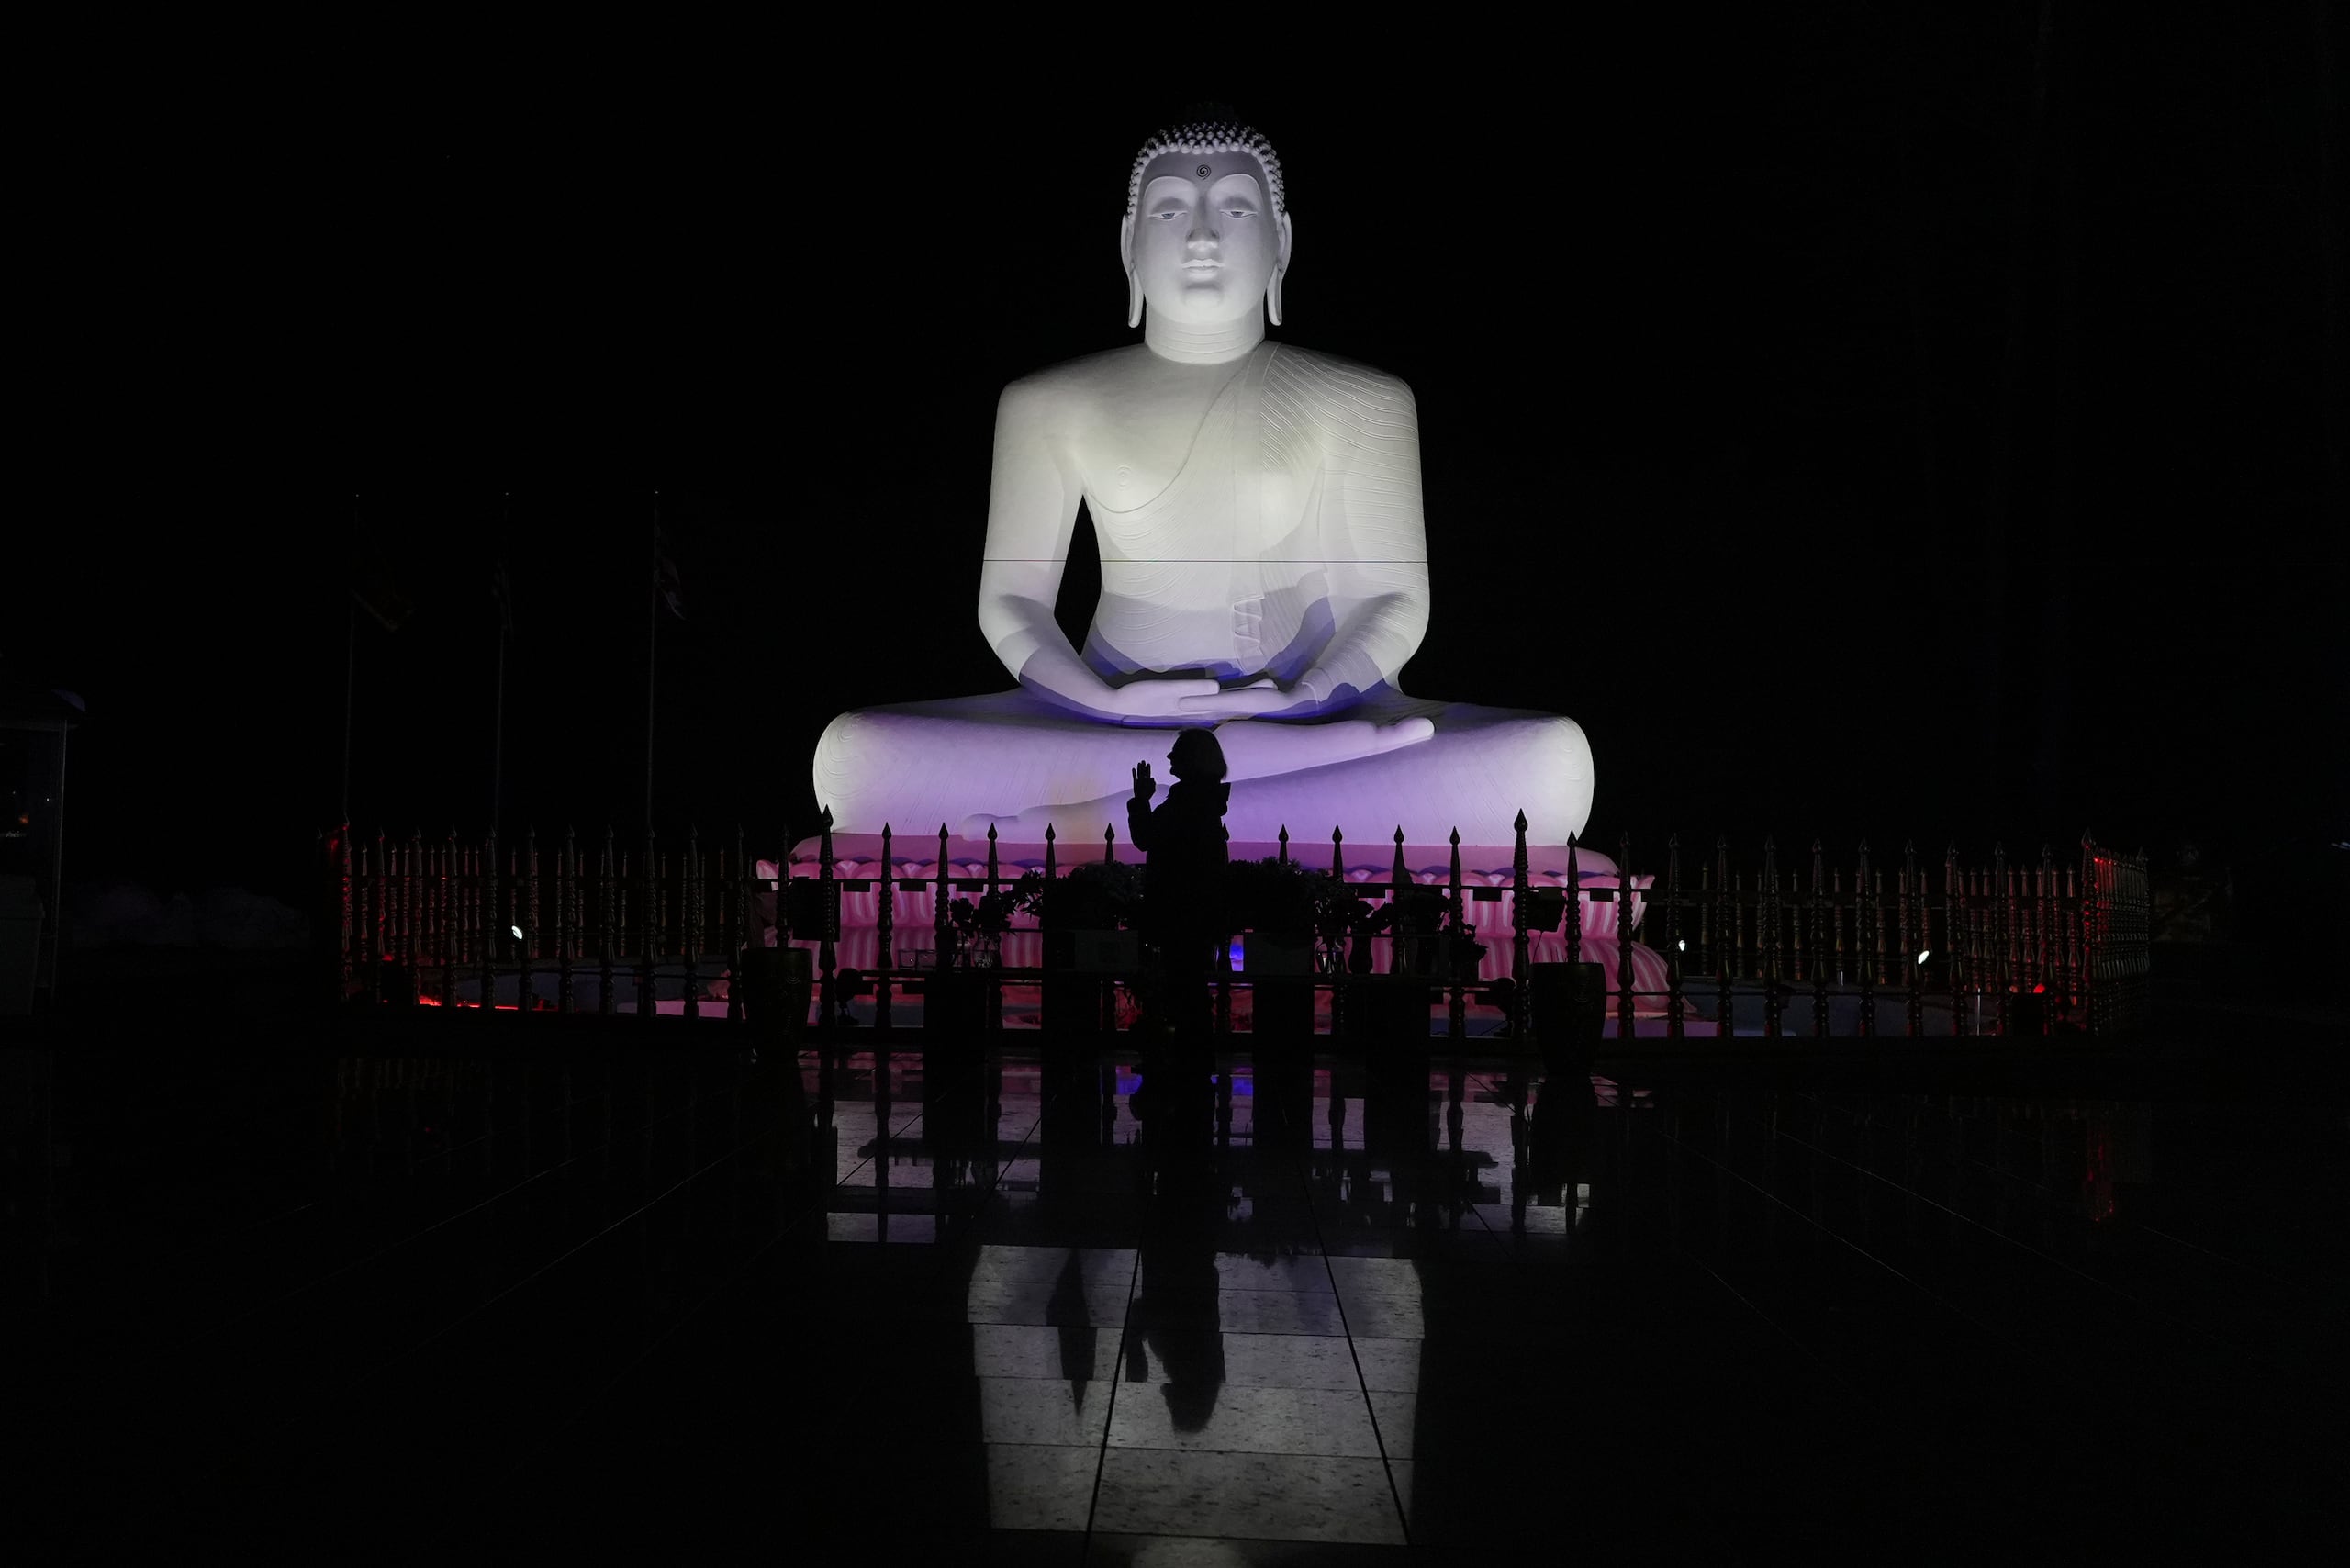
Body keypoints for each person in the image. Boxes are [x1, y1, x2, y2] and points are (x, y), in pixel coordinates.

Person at [811, 113, 1593, 851]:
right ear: (1127, 244)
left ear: (1282, 241)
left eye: (1236, 210)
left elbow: (1395, 602)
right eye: (1172, 209)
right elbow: (1010, 604)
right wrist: (1105, 701)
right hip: (1099, 722)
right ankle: (1218, 801)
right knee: (856, 755)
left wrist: (1305, 696)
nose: (1203, 236)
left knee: (1549, 760)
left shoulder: (1361, 401)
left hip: (1317, 717)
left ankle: (1092, 820)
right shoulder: (1048, 404)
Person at [1126, 727, 1230, 1047]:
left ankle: (1189, 1062)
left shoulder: (1189, 802)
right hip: (1193, 913)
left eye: (1177, 751)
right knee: (1190, 989)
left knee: (1184, 990)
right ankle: (1192, 1061)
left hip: (1181, 913)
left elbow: (1147, 838)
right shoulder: (1203, 800)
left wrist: (1141, 801)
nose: (1170, 756)